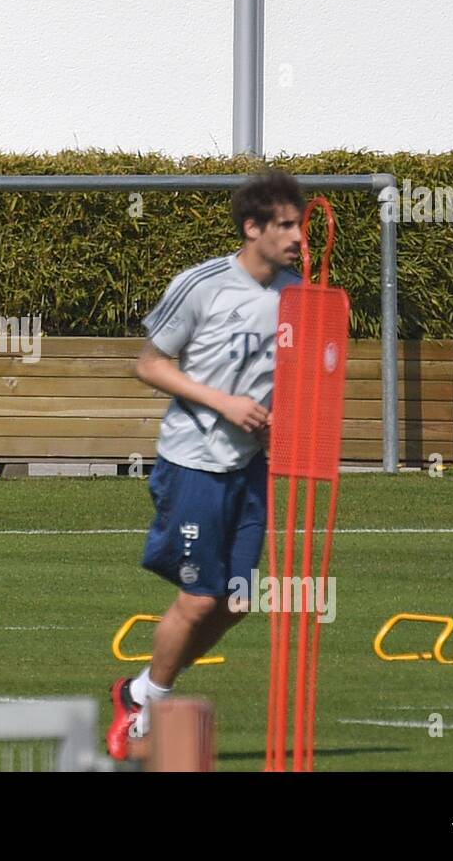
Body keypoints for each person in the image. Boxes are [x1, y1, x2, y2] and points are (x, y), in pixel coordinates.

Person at [106, 171, 306, 759]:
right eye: (285, 225)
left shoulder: (297, 294)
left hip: (250, 469)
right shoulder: (203, 285)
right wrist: (225, 403)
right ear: (253, 228)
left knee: (237, 601)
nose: (297, 236)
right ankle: (148, 706)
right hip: (193, 463)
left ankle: (141, 689)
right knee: (198, 599)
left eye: (300, 224)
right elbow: (149, 364)